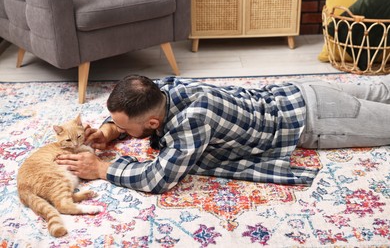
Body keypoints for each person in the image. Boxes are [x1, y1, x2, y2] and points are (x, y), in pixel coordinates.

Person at [56, 75, 390, 194]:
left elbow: (156, 179)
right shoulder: (165, 88)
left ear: (154, 124)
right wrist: (109, 130)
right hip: (301, 91)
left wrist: (102, 169)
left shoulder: (192, 121)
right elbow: (131, 113)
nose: (125, 132)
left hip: (320, 118)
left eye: (128, 128)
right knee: (381, 87)